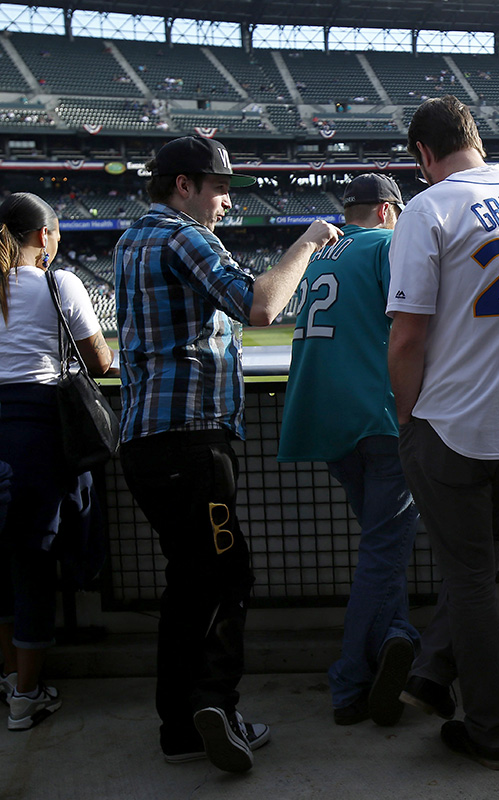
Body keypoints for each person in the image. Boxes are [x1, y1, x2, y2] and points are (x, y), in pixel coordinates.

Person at [115, 136, 340, 772]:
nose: (226, 202)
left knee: (189, 583)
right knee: (225, 575)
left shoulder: (132, 238)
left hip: (147, 439)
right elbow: (260, 305)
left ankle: (179, 726)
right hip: (191, 441)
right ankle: (214, 706)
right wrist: (308, 241)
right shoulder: (184, 235)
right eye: (218, 188)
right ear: (183, 186)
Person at [387, 95, 499, 770]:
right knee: (478, 564)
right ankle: (433, 672)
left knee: (468, 581)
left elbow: (408, 337)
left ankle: (490, 730)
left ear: (423, 154)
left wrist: (407, 418)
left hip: (455, 422)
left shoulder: (427, 207)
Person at [277, 174, 419, 728]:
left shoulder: (320, 252)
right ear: (386, 211)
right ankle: (351, 681)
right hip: (378, 413)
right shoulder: (388, 244)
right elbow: (412, 328)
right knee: (384, 550)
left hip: (325, 415)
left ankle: (394, 640)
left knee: (383, 546)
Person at [0, 192, 114, 730]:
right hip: (37, 434)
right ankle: (26, 696)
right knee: (32, 563)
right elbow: (100, 361)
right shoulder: (58, 282)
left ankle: (10, 678)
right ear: (43, 236)